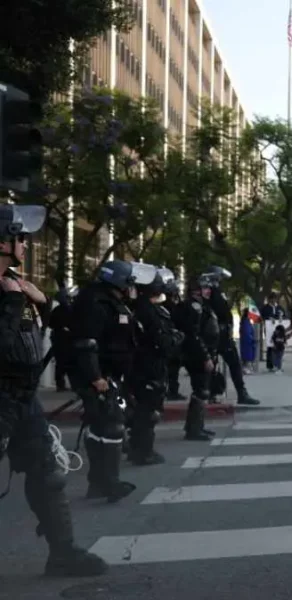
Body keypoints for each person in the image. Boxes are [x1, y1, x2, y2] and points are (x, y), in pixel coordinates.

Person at [0, 204, 107, 576]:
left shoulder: (14, 283)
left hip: (21, 397)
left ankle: (63, 552)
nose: (25, 245)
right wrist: (14, 300)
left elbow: (46, 331)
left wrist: (42, 303)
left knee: (47, 470)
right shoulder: (10, 291)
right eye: (19, 238)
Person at [69, 260, 138, 503]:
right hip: (98, 377)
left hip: (107, 375)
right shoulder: (96, 303)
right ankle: (109, 484)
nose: (131, 287)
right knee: (111, 426)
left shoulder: (107, 300)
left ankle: (98, 484)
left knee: (100, 426)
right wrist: (96, 377)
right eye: (128, 282)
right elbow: (87, 343)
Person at [126, 264, 178, 466]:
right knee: (147, 411)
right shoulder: (146, 311)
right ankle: (143, 451)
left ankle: (138, 448)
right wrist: (174, 340)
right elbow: (159, 340)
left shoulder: (143, 308)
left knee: (145, 409)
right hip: (147, 366)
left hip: (147, 365)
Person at [172, 273, 219, 442]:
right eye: (205, 288)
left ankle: (196, 426)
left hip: (203, 352)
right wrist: (205, 356)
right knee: (201, 390)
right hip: (196, 355)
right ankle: (194, 430)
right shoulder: (192, 307)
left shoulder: (201, 305)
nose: (208, 291)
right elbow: (194, 335)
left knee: (202, 391)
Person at [203, 267, 260, 405]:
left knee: (234, 364)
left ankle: (241, 392)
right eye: (218, 278)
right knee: (214, 365)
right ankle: (210, 392)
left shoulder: (218, 291)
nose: (220, 281)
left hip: (224, 334)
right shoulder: (208, 291)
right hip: (215, 334)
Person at [164, 277, 185, 400]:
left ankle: (172, 390)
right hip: (170, 340)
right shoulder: (169, 306)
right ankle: (172, 391)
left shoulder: (171, 305)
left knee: (173, 368)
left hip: (173, 339)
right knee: (172, 368)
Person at [260, 293, 285, 373]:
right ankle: (270, 365)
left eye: (275, 299)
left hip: (279, 330)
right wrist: (269, 318)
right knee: (270, 347)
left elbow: (285, 316)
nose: (273, 300)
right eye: (272, 299)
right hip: (269, 329)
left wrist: (281, 317)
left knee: (279, 347)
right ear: (269, 299)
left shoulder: (279, 307)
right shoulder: (265, 308)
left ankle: (278, 365)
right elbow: (262, 317)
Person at [239, 308, 256, 374]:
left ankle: (245, 367)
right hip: (247, 341)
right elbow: (247, 332)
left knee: (245, 355)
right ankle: (245, 368)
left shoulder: (245, 321)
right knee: (247, 355)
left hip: (246, 340)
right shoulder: (246, 322)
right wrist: (251, 339)